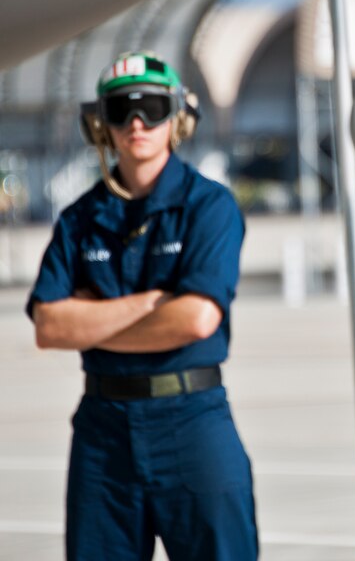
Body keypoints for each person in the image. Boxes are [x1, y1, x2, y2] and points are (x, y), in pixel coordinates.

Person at [26, 51, 258, 561]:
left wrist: (90, 320)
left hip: (192, 423)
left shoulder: (209, 206)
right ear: (99, 124)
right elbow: (48, 325)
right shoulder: (78, 219)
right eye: (121, 110)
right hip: (103, 430)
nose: (136, 123)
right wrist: (154, 303)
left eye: (152, 107)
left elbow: (197, 318)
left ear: (176, 119)